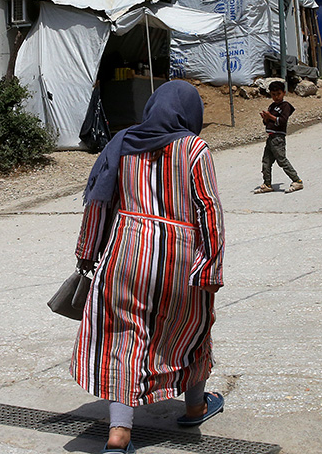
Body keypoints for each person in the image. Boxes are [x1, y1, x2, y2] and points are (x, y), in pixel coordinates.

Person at [71, 81, 226, 454]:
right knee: (191, 332)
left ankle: (119, 435)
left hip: (124, 255)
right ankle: (194, 406)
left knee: (124, 340)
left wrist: (87, 252)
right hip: (179, 261)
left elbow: (99, 202)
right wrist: (211, 269)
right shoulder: (193, 148)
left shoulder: (122, 143)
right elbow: (209, 210)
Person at [253, 80, 303, 194]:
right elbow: (267, 124)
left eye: (278, 94)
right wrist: (266, 119)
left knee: (282, 160)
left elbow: (283, 121)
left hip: (278, 138)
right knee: (266, 161)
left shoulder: (285, 106)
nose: (276, 97)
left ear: (284, 93)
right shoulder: (272, 106)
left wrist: (270, 116)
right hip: (270, 137)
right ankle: (267, 183)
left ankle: (297, 180)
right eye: (273, 94)